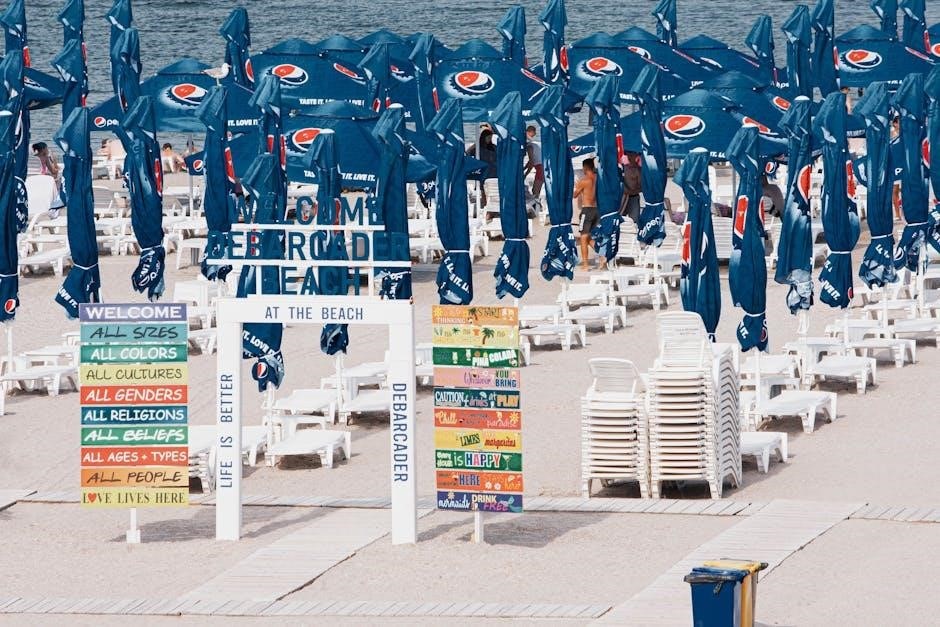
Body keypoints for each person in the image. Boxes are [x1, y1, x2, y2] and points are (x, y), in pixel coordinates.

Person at [574, 158, 604, 270]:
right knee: (589, 238)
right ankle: (602, 256)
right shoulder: (599, 179)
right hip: (597, 210)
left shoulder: (584, 181)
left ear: (585, 168)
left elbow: (574, 195)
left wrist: (576, 186)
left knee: (583, 237)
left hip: (587, 210)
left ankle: (585, 264)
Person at [466, 123, 496, 207]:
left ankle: (488, 205)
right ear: (483, 137)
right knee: (483, 190)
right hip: (483, 171)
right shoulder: (477, 147)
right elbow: (467, 154)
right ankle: (484, 205)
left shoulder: (493, 147)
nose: (490, 139)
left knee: (491, 190)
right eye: (488, 137)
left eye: (491, 137)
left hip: (493, 171)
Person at [32, 142, 65, 211]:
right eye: (47, 148)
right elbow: (53, 171)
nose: (48, 150)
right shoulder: (45, 157)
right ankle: (56, 199)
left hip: (34, 178)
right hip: (42, 178)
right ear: (43, 149)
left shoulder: (33, 157)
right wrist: (54, 161)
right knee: (59, 178)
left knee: (55, 175)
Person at [619, 151, 642, 224]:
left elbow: (641, 186)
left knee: (635, 221)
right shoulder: (623, 168)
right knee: (619, 219)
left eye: (633, 154)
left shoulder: (638, 169)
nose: (631, 156)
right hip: (623, 197)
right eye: (629, 154)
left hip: (633, 197)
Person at [523, 125, 544, 201]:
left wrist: (525, 175)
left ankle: (537, 205)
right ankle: (537, 203)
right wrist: (524, 168)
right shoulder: (535, 144)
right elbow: (531, 161)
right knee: (535, 191)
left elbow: (531, 162)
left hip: (540, 169)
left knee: (535, 191)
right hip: (543, 167)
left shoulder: (529, 146)